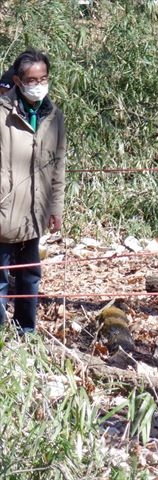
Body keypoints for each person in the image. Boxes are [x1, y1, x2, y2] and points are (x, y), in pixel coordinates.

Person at [0, 49, 66, 334]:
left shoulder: (54, 116)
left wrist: (55, 208)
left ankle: (26, 330)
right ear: (17, 80)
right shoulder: (3, 115)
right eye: (31, 79)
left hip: (34, 213)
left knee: (29, 276)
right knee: (1, 278)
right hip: (4, 212)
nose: (38, 84)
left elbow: (58, 167)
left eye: (43, 78)